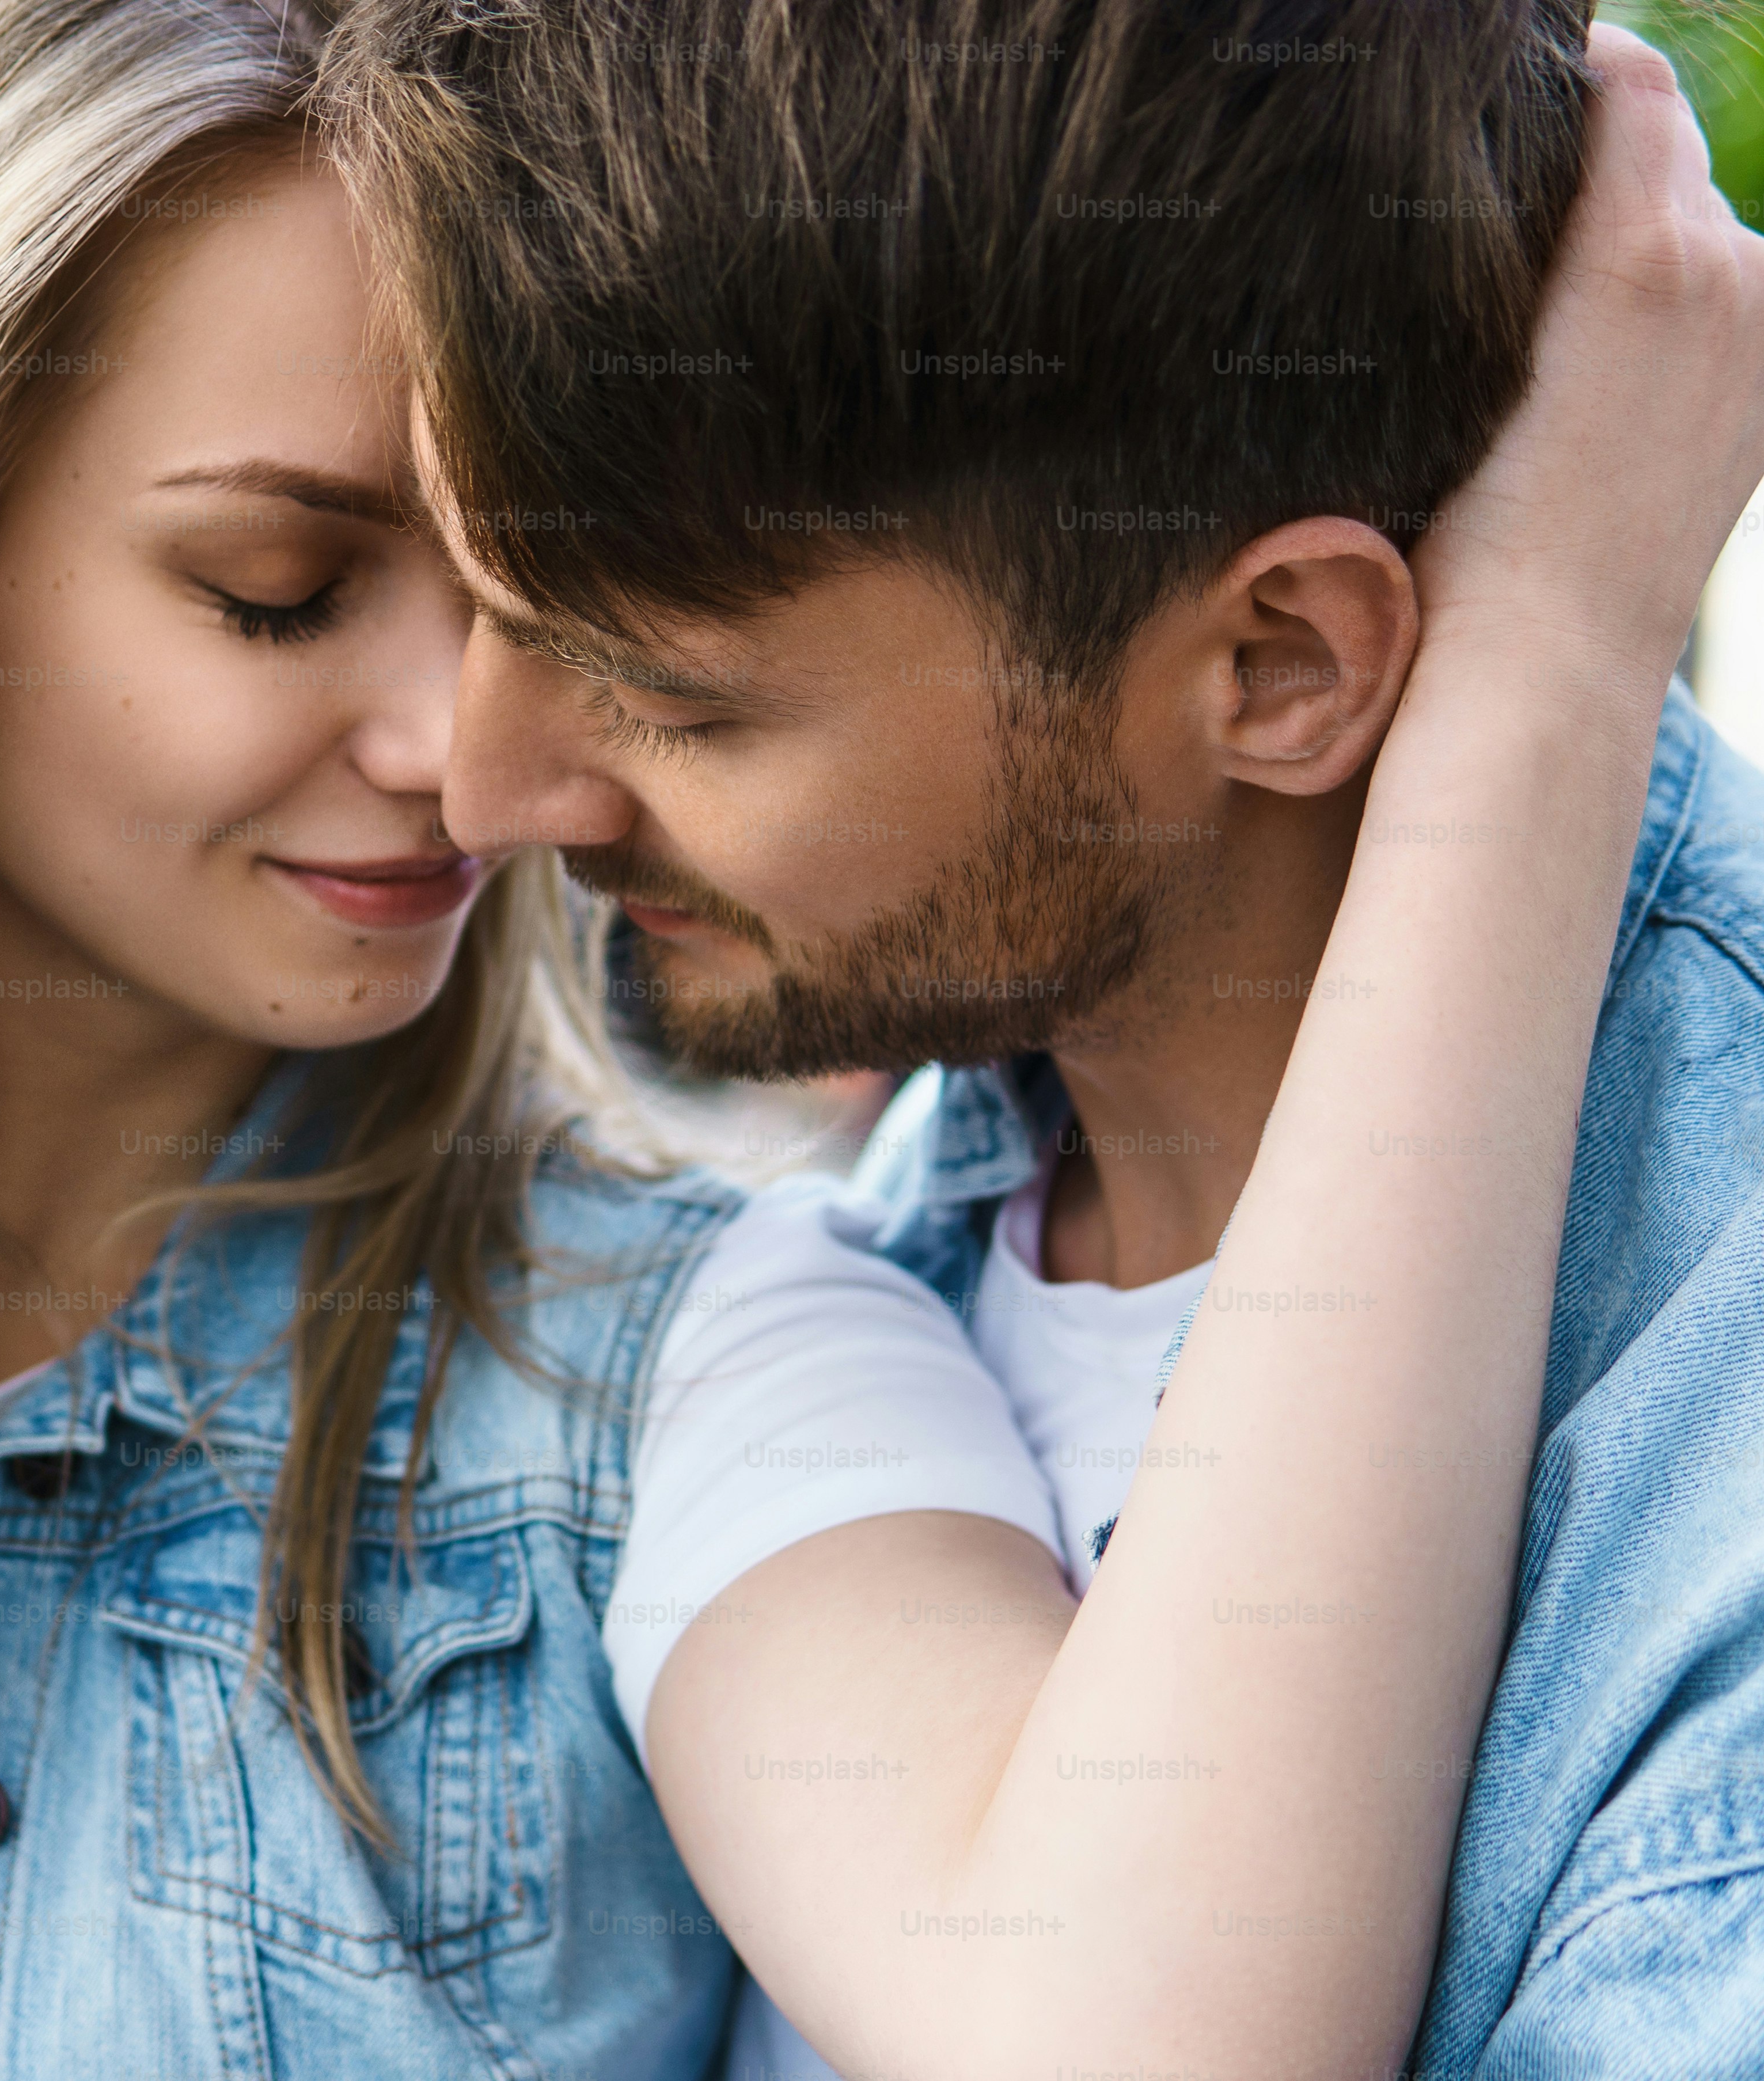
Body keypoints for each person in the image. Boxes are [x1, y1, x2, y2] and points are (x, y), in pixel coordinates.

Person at [0, 5, 1750, 2080]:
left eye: (553, 614)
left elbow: (1131, 2017)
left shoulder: (686, 1368)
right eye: (280, 589)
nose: (469, 765)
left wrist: (1543, 658)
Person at [321, 2, 1764, 2076]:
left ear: (1280, 664)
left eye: (674, 698)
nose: (487, 793)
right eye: (485, 609)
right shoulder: (866, 1266)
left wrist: (1547, 668)